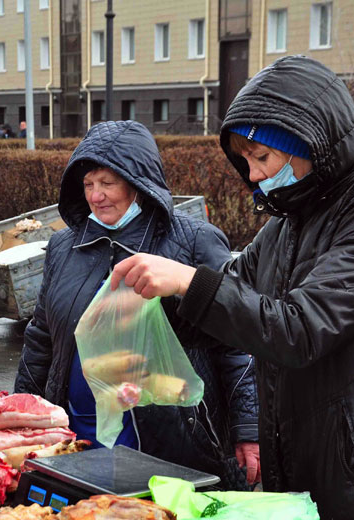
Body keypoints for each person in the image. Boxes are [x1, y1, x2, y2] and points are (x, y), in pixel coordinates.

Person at [110, 55, 354, 520]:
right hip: (304, 476)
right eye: (245, 161)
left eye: (262, 156)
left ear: (311, 141)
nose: (255, 175)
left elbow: (298, 329)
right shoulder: (287, 225)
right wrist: (152, 330)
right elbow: (231, 309)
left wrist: (188, 280)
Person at [14, 120, 260, 489]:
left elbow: (236, 341)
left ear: (138, 182)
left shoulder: (194, 242)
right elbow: (42, 338)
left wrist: (248, 427)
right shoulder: (64, 248)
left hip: (171, 443)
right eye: (88, 185)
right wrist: (21, 417)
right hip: (81, 434)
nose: (96, 196)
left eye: (107, 183)